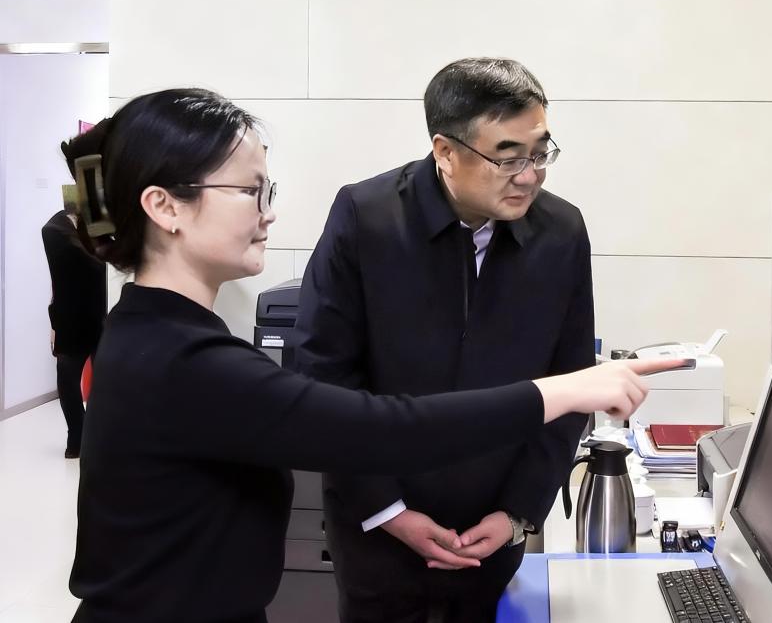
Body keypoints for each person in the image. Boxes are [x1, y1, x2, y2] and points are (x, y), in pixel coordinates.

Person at [62, 88, 675, 623]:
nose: (269, 212)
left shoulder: (157, 334)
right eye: (249, 191)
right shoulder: (183, 361)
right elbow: (380, 429)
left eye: (267, 189)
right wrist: (569, 388)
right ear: (164, 206)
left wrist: (519, 505)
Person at [293, 58, 596, 622]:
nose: (529, 175)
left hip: (493, 529)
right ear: (446, 151)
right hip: (378, 524)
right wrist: (388, 510)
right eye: (508, 157)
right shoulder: (368, 217)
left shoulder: (562, 232)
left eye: (539, 153)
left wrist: (517, 513)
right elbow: (322, 375)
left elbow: (572, 383)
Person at [41, 182, 106, 458]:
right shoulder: (54, 230)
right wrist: (54, 325)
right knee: (68, 380)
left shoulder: (96, 227)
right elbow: (67, 276)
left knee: (105, 380)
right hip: (71, 319)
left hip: (99, 316)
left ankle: (98, 434)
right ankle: (77, 436)